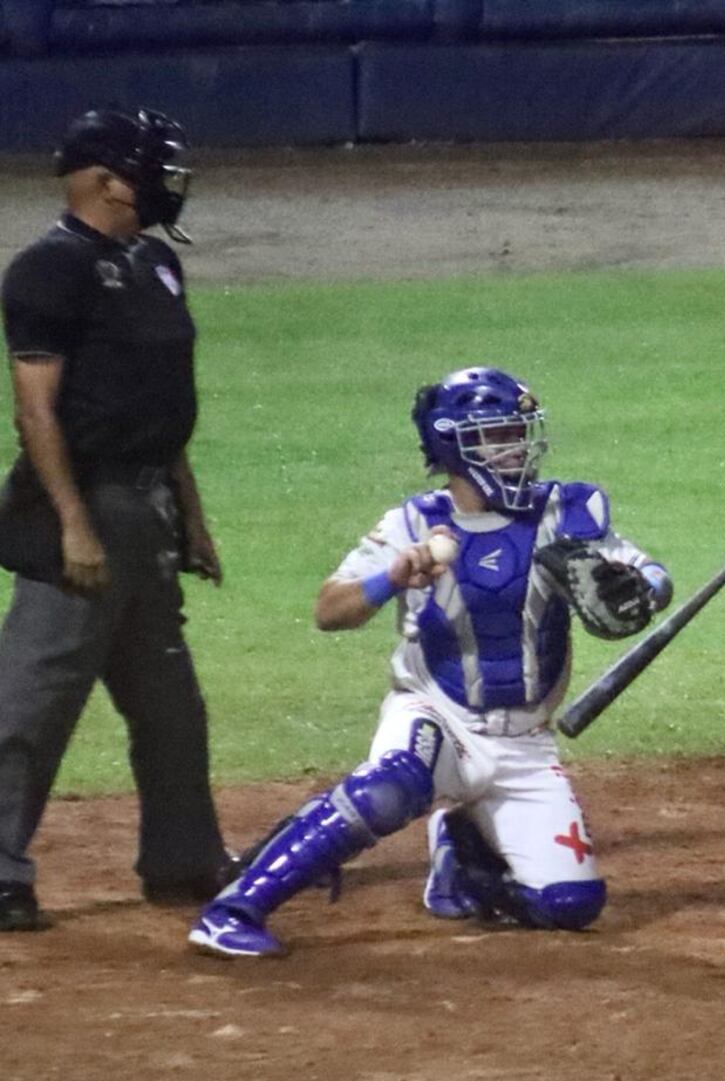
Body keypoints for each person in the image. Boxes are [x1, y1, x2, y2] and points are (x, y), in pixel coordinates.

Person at [188, 366, 672, 957]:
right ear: (453, 447)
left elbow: (649, 573)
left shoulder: (566, 513)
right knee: (393, 784)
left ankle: (463, 858)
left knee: (570, 905)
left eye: (519, 432)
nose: (517, 448)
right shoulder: (413, 524)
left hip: (526, 745)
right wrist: (391, 578)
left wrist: (643, 587)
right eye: (497, 437)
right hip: (437, 714)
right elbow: (327, 610)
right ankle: (235, 907)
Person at [0, 107, 234, 931]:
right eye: (152, 168)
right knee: (31, 701)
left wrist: (191, 517)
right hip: (88, 503)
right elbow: (37, 415)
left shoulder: (157, 264)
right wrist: (72, 523)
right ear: (103, 181)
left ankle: (183, 859)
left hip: (150, 508)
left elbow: (165, 407)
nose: (170, 183)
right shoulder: (46, 271)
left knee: (171, 702)